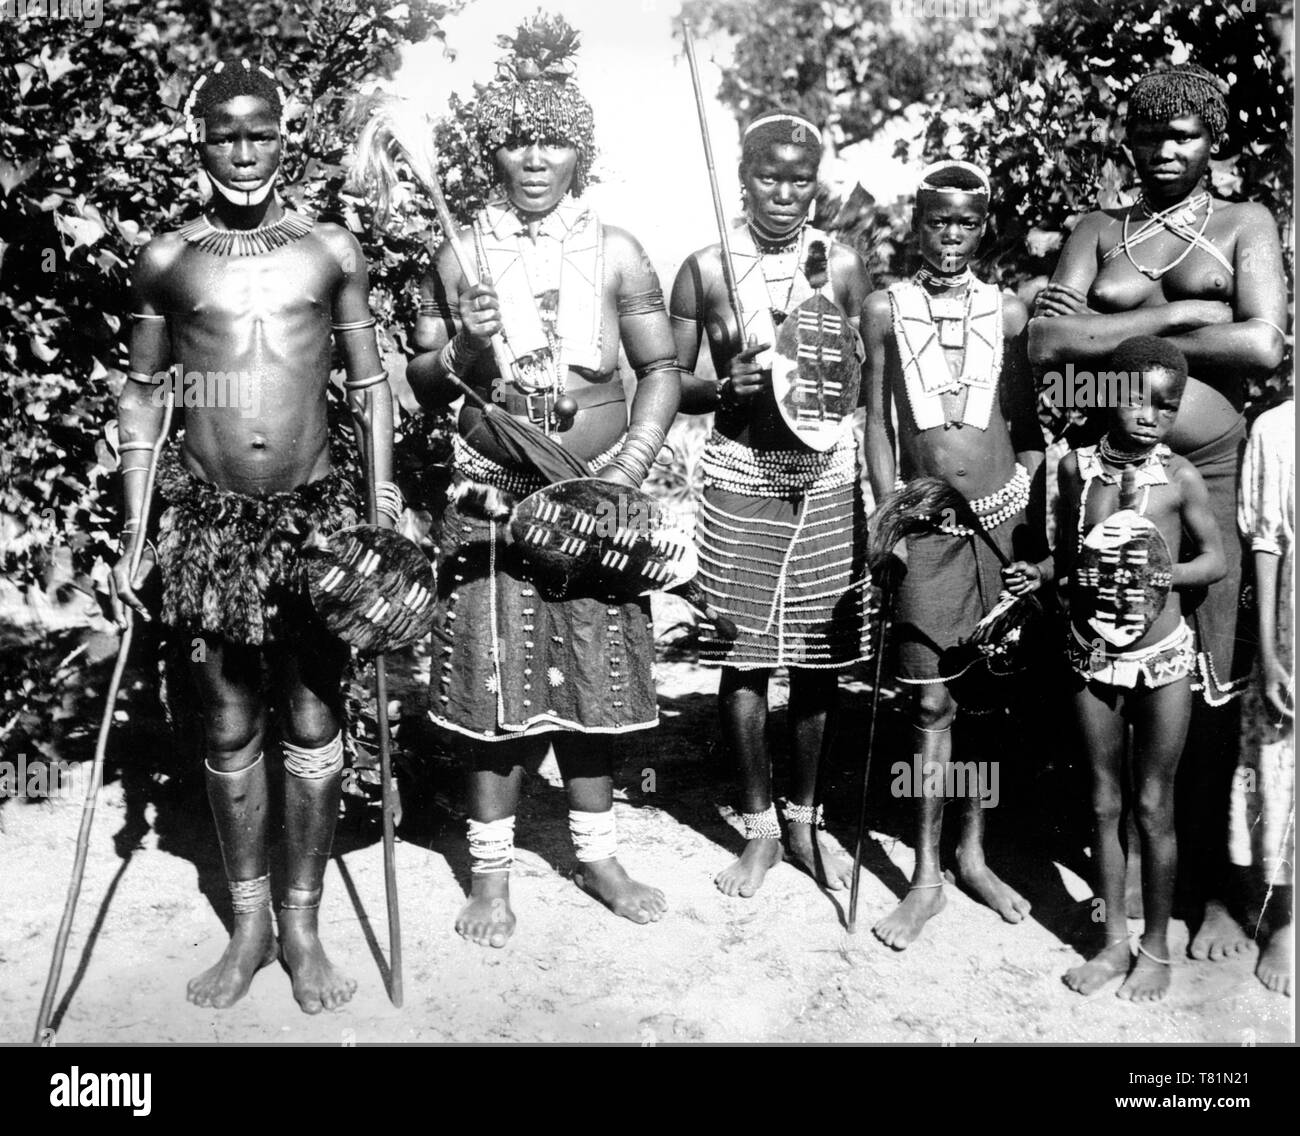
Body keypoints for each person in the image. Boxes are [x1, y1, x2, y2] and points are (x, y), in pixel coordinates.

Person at [112, 59, 396, 1013]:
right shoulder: (168, 260)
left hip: (317, 519)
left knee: (314, 719)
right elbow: (146, 394)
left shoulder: (329, 251)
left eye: (261, 132)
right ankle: (248, 928)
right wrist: (134, 527)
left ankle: (305, 927)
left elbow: (368, 385)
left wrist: (381, 506)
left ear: (287, 135)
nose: (244, 153)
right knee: (230, 723)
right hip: (207, 523)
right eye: (225, 135)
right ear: (200, 142)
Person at [405, 17, 679, 947]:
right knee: (495, 681)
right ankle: (490, 875)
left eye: (554, 139)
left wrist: (630, 469)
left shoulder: (619, 250)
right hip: (491, 495)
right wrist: (469, 345)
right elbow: (426, 381)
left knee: (596, 678)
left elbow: (661, 371)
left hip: (597, 489)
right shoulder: (458, 256)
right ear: (494, 151)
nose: (535, 158)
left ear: (580, 153)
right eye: (518, 139)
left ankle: (595, 852)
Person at [1028, 65, 1287, 958]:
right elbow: (1046, 345)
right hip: (1110, 465)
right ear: (1129, 142)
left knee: (1205, 663)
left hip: (1208, 467)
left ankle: (1213, 891)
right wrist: (1187, 311)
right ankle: (1126, 866)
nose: (1166, 149)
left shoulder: (1242, 222)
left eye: (1185, 135)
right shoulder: (1101, 228)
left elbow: (1262, 342)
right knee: (1109, 629)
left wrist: (1121, 329)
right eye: (1150, 134)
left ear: (1212, 140)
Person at [669, 109, 873, 898]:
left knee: (819, 658)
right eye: (767, 176)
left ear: (815, 183)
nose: (783, 193)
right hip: (740, 471)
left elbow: (857, 366)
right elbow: (666, 375)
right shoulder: (706, 268)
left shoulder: (841, 262)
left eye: (799, 178)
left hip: (823, 476)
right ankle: (757, 830)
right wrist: (724, 386)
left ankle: (805, 820)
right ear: (743, 174)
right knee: (746, 654)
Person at [861, 160, 1045, 949]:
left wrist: (1027, 497)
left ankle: (974, 854)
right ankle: (926, 876)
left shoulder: (1007, 313)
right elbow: (874, 419)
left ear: (984, 227)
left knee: (992, 698)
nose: (952, 237)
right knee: (930, 701)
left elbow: (1030, 426)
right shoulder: (883, 308)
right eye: (939, 222)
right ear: (918, 224)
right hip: (926, 528)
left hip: (1003, 523)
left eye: (967, 223)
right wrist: (887, 512)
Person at [1053, 337, 1226, 1001]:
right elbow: (1072, 557)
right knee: (1103, 799)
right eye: (1138, 398)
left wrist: (1166, 573)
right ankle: (1112, 942)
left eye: (1168, 405)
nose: (1152, 413)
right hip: (1091, 653)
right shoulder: (1075, 470)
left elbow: (1214, 559)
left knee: (1154, 803)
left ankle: (1155, 949)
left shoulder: (1178, 479)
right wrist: (1051, 575)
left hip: (1161, 659)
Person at [1230, 399, 1294, 996]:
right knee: (1282, 771)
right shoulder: (1277, 429)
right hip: (1293, 635)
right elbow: (1267, 542)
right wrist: (1271, 653)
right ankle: (1285, 920)